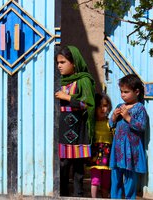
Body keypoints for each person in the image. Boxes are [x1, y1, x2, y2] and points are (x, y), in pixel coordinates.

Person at [55, 45, 95, 197]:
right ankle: (63, 195)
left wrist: (68, 98)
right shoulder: (61, 81)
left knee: (78, 170)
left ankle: (79, 196)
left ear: (74, 62)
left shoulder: (84, 81)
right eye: (58, 63)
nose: (59, 66)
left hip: (79, 130)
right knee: (63, 166)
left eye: (63, 62)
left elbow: (87, 105)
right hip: (64, 130)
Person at [109, 74, 148, 199]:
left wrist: (127, 117)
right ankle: (115, 197)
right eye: (121, 91)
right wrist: (114, 117)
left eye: (126, 92)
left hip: (131, 149)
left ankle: (130, 197)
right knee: (116, 175)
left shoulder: (140, 108)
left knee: (130, 176)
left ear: (136, 92)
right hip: (118, 148)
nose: (123, 95)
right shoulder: (119, 106)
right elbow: (111, 124)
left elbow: (141, 126)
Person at [90, 93, 113, 198]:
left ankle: (105, 197)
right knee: (95, 180)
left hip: (107, 156)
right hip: (95, 156)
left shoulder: (110, 123)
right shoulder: (91, 123)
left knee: (106, 181)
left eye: (105, 105)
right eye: (99, 106)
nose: (102, 109)